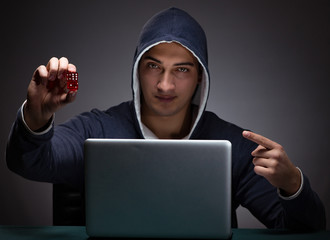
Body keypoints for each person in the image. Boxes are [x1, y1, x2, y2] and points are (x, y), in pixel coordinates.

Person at [6, 7, 325, 230]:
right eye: (153, 66)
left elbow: (303, 230)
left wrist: (292, 184)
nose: (165, 85)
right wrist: (37, 115)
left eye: (182, 70)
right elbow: (27, 162)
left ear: (200, 76)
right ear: (136, 69)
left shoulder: (234, 144)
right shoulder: (97, 128)